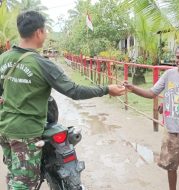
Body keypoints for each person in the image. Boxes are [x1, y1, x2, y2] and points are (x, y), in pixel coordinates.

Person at [0, 11, 125, 190]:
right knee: (24, 185)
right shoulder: (42, 63)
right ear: (39, 32)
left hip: (4, 129)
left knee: (14, 173)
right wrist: (106, 89)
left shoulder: (3, 59)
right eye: (45, 30)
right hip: (25, 134)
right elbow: (73, 90)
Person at [124, 42, 179, 190]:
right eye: (178, 57)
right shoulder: (169, 75)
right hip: (172, 129)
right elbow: (152, 93)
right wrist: (133, 89)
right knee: (171, 165)